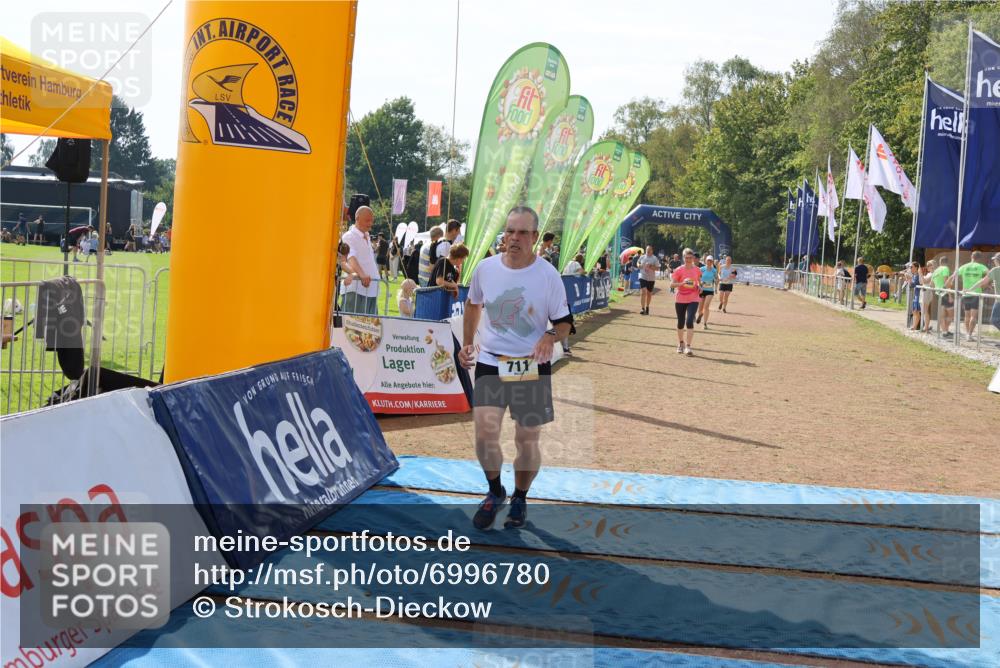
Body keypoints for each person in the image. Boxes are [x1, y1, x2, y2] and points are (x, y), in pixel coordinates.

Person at [458, 206, 573, 531]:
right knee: (485, 434)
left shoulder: (547, 275)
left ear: (535, 238)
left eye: (523, 232)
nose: (514, 238)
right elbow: (473, 305)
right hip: (492, 361)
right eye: (510, 231)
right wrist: (467, 344)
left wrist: (551, 336)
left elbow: (564, 323)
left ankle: (520, 496)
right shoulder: (485, 269)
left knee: (526, 439)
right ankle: (495, 492)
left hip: (529, 365)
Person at [341, 206, 380, 314]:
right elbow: (350, 257)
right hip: (356, 290)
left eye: (372, 220)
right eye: (367, 220)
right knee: (352, 328)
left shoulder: (366, 236)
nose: (370, 223)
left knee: (370, 328)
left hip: (370, 290)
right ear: (357, 218)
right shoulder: (349, 236)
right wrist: (362, 275)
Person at [670, 248, 702, 356]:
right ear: (683, 258)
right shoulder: (679, 270)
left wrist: (699, 287)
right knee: (680, 322)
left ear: (693, 258)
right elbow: (672, 285)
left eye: (690, 258)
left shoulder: (697, 270)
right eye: (686, 258)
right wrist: (682, 283)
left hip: (693, 297)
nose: (688, 260)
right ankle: (681, 343)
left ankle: (688, 347)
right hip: (680, 298)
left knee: (689, 321)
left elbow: (699, 282)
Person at [953, 251, 989, 341]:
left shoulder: (964, 266)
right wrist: (985, 286)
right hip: (976, 293)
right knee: (973, 316)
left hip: (965, 293)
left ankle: (967, 334)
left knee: (967, 315)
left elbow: (955, 275)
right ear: (979, 258)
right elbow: (990, 275)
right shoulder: (981, 266)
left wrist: (957, 284)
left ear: (971, 257)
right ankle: (969, 334)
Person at [559, 253, 585, 356]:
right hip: (566, 297)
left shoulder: (567, 263)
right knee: (565, 321)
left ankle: (564, 348)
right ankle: (564, 348)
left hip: (563, 297)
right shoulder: (576, 264)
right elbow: (581, 272)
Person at [931, 255, 954, 337]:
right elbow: (946, 283)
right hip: (945, 293)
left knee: (942, 314)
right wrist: (950, 295)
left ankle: (945, 331)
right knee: (951, 314)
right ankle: (945, 330)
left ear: (940, 262)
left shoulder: (936, 270)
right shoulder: (945, 269)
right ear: (947, 263)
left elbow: (932, 285)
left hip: (938, 294)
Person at [696, 255, 718, 329]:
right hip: (702, 290)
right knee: (700, 308)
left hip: (710, 290)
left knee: (706, 306)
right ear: (706, 261)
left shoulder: (714, 270)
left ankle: (705, 324)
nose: (709, 262)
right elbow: (697, 278)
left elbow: (717, 279)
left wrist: (716, 287)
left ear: (712, 262)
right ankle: (700, 314)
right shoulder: (701, 269)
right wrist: (700, 283)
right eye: (708, 260)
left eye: (710, 261)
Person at [637, 245, 659, 315]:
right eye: (647, 250)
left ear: (652, 250)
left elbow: (657, 268)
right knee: (643, 291)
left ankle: (647, 306)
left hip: (651, 278)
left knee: (649, 294)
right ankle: (642, 308)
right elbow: (638, 262)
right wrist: (639, 265)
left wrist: (651, 266)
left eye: (649, 250)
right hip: (643, 276)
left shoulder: (654, 258)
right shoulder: (642, 257)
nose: (648, 251)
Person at [920, 260, 936, 332]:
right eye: (928, 265)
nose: (927, 267)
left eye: (929, 265)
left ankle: (926, 327)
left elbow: (925, 281)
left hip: (927, 292)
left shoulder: (933, 274)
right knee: (924, 310)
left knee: (925, 310)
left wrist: (920, 273)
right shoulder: (929, 273)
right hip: (925, 291)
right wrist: (921, 275)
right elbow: (921, 282)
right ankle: (925, 326)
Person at [907, 261, 923, 331]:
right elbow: (911, 285)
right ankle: (914, 326)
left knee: (917, 311)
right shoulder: (914, 275)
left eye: (911, 267)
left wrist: (909, 278)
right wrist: (908, 279)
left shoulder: (917, 275)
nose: (910, 269)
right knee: (914, 311)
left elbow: (913, 284)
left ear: (916, 268)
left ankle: (915, 327)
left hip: (919, 295)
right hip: (916, 294)